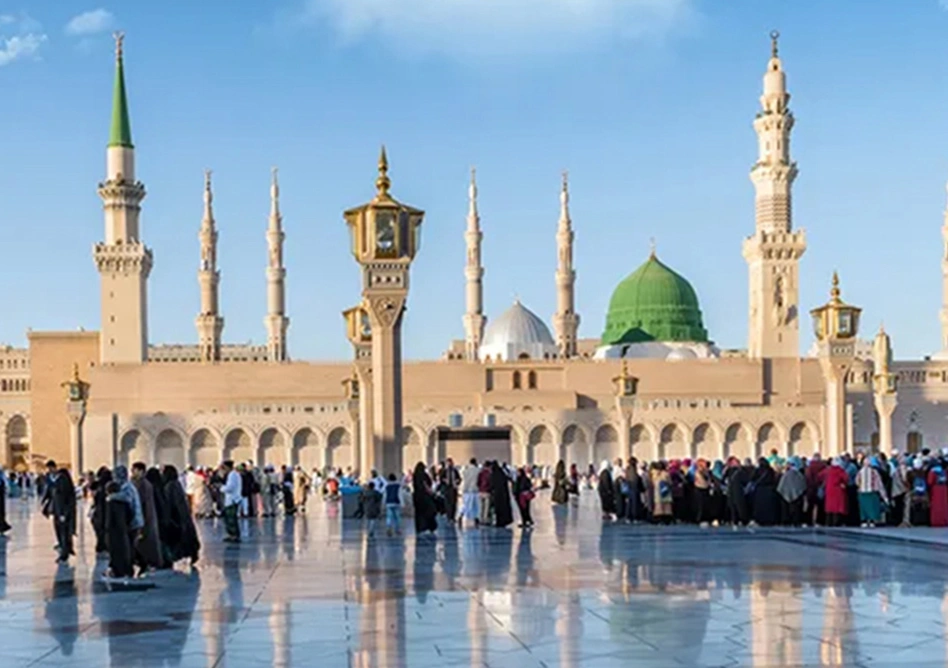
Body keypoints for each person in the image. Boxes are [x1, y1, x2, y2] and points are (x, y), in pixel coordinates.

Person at [162, 465, 201, 565]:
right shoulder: (176, 484)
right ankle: (192, 553)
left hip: (176, 517)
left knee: (178, 538)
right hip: (183, 515)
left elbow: (169, 503)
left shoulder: (169, 486)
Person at [130, 463, 164, 573]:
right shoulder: (140, 484)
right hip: (145, 517)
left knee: (144, 542)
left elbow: (141, 502)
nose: (132, 472)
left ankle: (148, 562)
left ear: (141, 471)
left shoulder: (143, 485)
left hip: (145, 518)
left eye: (134, 470)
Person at [42, 461, 76, 563]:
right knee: (59, 530)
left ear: (54, 467)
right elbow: (51, 493)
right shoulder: (53, 479)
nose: (49, 471)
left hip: (63, 511)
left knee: (64, 532)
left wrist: (64, 513)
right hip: (57, 510)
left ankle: (64, 554)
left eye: (50, 468)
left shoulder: (63, 479)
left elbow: (67, 497)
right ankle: (65, 547)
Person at [104, 481, 135, 579]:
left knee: (115, 552)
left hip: (113, 531)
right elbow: (130, 515)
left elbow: (108, 519)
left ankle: (117, 571)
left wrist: (105, 530)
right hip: (124, 529)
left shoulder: (110, 502)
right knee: (125, 550)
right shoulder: (124, 501)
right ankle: (127, 569)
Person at [857, 457, 888, 528]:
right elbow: (879, 483)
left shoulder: (860, 472)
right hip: (872, 492)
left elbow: (857, 481)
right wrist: (883, 494)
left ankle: (864, 521)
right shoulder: (874, 472)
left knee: (864, 508)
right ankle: (871, 521)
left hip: (862, 492)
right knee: (872, 508)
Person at [777, 457, 807, 526]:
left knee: (786, 511)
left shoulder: (785, 475)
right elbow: (803, 486)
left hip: (785, 498)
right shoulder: (799, 475)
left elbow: (781, 486)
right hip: (797, 498)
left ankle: (786, 521)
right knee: (796, 511)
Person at [750, 458, 779, 527]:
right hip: (769, 490)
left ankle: (760, 520)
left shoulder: (758, 470)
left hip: (760, 490)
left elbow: (752, 478)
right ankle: (770, 520)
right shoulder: (770, 470)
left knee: (760, 507)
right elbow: (774, 479)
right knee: (769, 507)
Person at [89, 467, 112, 553]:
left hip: (99, 511)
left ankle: (101, 545)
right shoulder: (110, 485)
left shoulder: (99, 486)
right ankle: (105, 545)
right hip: (107, 511)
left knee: (99, 529)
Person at [821, 458, 850, 527]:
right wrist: (843, 484)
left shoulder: (828, 470)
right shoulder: (840, 471)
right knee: (837, 508)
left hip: (829, 491)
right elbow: (846, 478)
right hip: (838, 491)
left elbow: (820, 476)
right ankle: (836, 523)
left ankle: (828, 522)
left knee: (829, 507)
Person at [412, 462, 438, 536]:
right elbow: (426, 485)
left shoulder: (415, 475)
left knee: (419, 514)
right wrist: (431, 493)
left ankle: (420, 528)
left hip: (417, 497)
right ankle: (430, 527)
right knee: (429, 512)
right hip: (424, 497)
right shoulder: (424, 475)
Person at [221, 461, 243, 543]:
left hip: (232, 500)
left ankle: (234, 535)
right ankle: (231, 535)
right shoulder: (234, 474)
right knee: (229, 518)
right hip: (232, 499)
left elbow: (230, 488)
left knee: (231, 519)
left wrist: (221, 488)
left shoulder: (232, 475)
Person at [489, 461, 514, 528]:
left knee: (498, 509)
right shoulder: (502, 473)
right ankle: (504, 521)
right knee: (504, 509)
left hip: (497, 495)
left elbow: (491, 485)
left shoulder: (493, 475)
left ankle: (499, 521)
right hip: (504, 494)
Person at [459, 458, 480, 528]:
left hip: (466, 490)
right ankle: (476, 518)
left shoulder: (465, 471)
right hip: (474, 490)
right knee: (475, 506)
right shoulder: (478, 470)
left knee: (465, 505)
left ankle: (461, 515)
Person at [927, 458, 948, 527]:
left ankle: (936, 521)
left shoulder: (932, 472)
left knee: (936, 505)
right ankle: (944, 520)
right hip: (944, 489)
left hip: (935, 489)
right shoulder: (943, 471)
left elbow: (930, 482)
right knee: (943, 505)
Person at [440, 458, 460, 523]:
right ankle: (449, 516)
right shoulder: (444, 471)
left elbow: (459, 478)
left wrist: (457, 482)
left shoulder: (455, 471)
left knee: (453, 502)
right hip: (447, 488)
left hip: (453, 488)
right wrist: (445, 480)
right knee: (448, 503)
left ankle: (453, 516)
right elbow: (441, 479)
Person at [0, 466, 11, 536]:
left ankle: (2, 527)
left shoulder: (2, 474)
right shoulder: (2, 474)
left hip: (1, 493)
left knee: (1, 511)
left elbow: (5, 483)